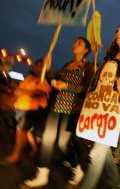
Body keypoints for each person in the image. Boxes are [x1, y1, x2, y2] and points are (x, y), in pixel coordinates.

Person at [24, 37, 94, 187]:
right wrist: (48, 68)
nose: (75, 44)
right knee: (47, 139)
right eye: (74, 41)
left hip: (71, 111)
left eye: (79, 43)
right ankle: (42, 174)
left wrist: (67, 86)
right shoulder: (67, 65)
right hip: (56, 107)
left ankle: (77, 166)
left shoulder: (88, 67)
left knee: (63, 144)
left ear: (86, 50)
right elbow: (51, 78)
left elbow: (88, 89)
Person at [77, 24, 120, 189]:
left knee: (97, 152)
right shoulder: (108, 58)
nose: (118, 33)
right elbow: (96, 83)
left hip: (114, 112)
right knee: (103, 150)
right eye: (117, 31)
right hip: (98, 108)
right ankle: (116, 184)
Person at [3, 59, 51, 164]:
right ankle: (34, 148)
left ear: (45, 68)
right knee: (26, 131)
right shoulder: (29, 78)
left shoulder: (43, 80)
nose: (37, 67)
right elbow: (18, 90)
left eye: (40, 66)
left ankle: (16, 155)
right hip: (21, 108)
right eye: (36, 65)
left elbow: (38, 93)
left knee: (21, 131)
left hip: (31, 110)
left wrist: (21, 91)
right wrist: (15, 94)